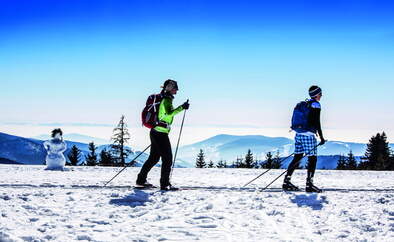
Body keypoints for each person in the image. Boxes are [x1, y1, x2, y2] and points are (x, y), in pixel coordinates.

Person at [136, 79, 189, 191]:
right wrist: (182, 107)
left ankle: (140, 181)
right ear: (169, 87)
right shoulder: (166, 99)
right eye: (175, 88)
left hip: (155, 130)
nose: (177, 90)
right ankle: (165, 184)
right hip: (161, 133)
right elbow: (169, 113)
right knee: (167, 159)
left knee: (154, 158)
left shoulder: (161, 98)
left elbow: (165, 114)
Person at [283, 85, 326, 192]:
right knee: (312, 158)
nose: (321, 95)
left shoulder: (305, 104)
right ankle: (309, 184)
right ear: (316, 95)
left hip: (298, 134)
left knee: (297, 157)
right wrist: (321, 137)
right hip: (308, 135)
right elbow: (317, 122)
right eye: (320, 94)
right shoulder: (315, 105)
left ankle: (286, 181)